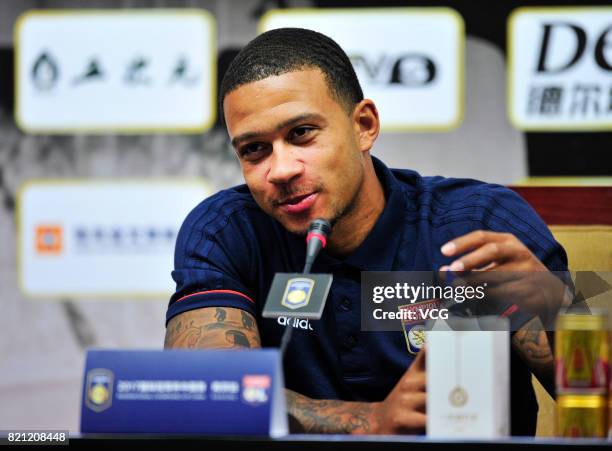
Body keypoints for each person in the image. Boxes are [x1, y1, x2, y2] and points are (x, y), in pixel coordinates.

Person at [164, 28, 570, 435]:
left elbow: (601, 405)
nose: (282, 169)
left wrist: (557, 311)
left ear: (364, 125)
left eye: (301, 133)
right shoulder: (226, 231)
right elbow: (209, 394)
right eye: (254, 149)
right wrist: (371, 420)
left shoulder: (480, 221)